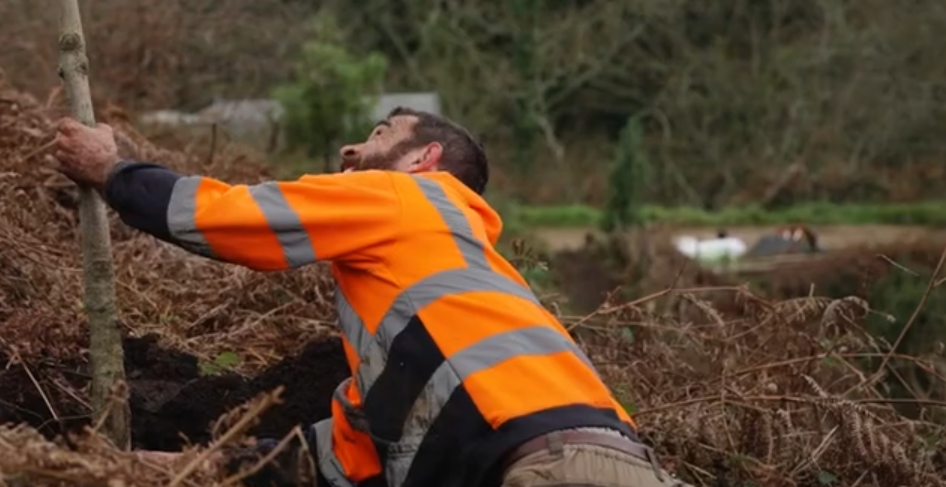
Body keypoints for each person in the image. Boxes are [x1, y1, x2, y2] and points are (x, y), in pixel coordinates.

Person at [53, 108, 675, 487]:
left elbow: (230, 217)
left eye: (379, 134)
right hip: (602, 462)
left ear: (423, 160)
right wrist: (181, 468)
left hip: (552, 468)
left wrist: (113, 172)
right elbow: (344, 458)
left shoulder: (409, 196)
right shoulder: (446, 300)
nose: (351, 149)